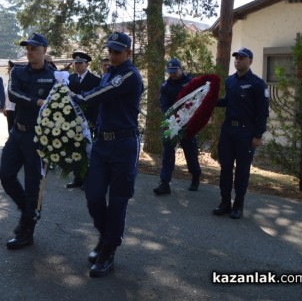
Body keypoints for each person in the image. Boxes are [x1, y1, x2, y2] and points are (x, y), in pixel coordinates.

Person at [72, 31, 143, 278]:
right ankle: (106, 236)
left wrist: (76, 97)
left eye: (117, 52)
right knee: (93, 196)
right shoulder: (109, 73)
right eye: (110, 51)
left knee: (118, 200)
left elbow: (98, 97)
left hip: (124, 145)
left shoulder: (129, 75)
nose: (112, 56)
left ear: (128, 53)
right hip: (103, 144)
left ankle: (108, 251)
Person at [0, 33, 56, 250]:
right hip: (17, 133)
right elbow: (13, 94)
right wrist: (38, 101)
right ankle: (28, 211)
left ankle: (27, 231)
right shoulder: (18, 71)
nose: (29, 51)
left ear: (44, 50)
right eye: (27, 48)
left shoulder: (54, 76)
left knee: (33, 185)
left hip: (38, 137)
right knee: (6, 175)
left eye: (33, 48)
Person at [213, 48, 269, 219]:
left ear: (250, 61)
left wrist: (258, 135)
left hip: (246, 133)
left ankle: (238, 205)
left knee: (242, 170)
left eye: (242, 58)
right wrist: (209, 101)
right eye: (236, 58)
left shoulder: (257, 84)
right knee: (225, 168)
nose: (238, 60)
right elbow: (226, 102)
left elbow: (263, 112)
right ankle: (224, 203)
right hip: (228, 130)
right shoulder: (230, 81)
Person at [153, 58, 202, 195]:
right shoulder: (165, 85)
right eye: (170, 72)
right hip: (172, 123)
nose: (172, 74)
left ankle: (195, 175)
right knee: (167, 153)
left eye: (175, 71)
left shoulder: (191, 82)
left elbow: (197, 100)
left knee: (190, 153)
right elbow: (164, 105)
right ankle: (164, 183)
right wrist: (172, 118)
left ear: (181, 69)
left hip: (188, 123)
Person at [66, 51, 101, 189]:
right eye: (76, 63)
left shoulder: (95, 80)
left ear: (87, 64)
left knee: (88, 151)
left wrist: (94, 120)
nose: (77, 65)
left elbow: (96, 103)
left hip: (88, 121)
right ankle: (78, 178)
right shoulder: (70, 79)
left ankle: (89, 179)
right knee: (75, 149)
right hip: (73, 121)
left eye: (80, 63)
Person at [3, 61, 17, 132]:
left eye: (9, 69)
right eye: (8, 69)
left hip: (15, 109)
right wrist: (5, 107)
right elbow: (6, 96)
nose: (8, 71)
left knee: (14, 129)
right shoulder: (9, 80)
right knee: (10, 128)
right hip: (9, 109)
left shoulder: (16, 81)